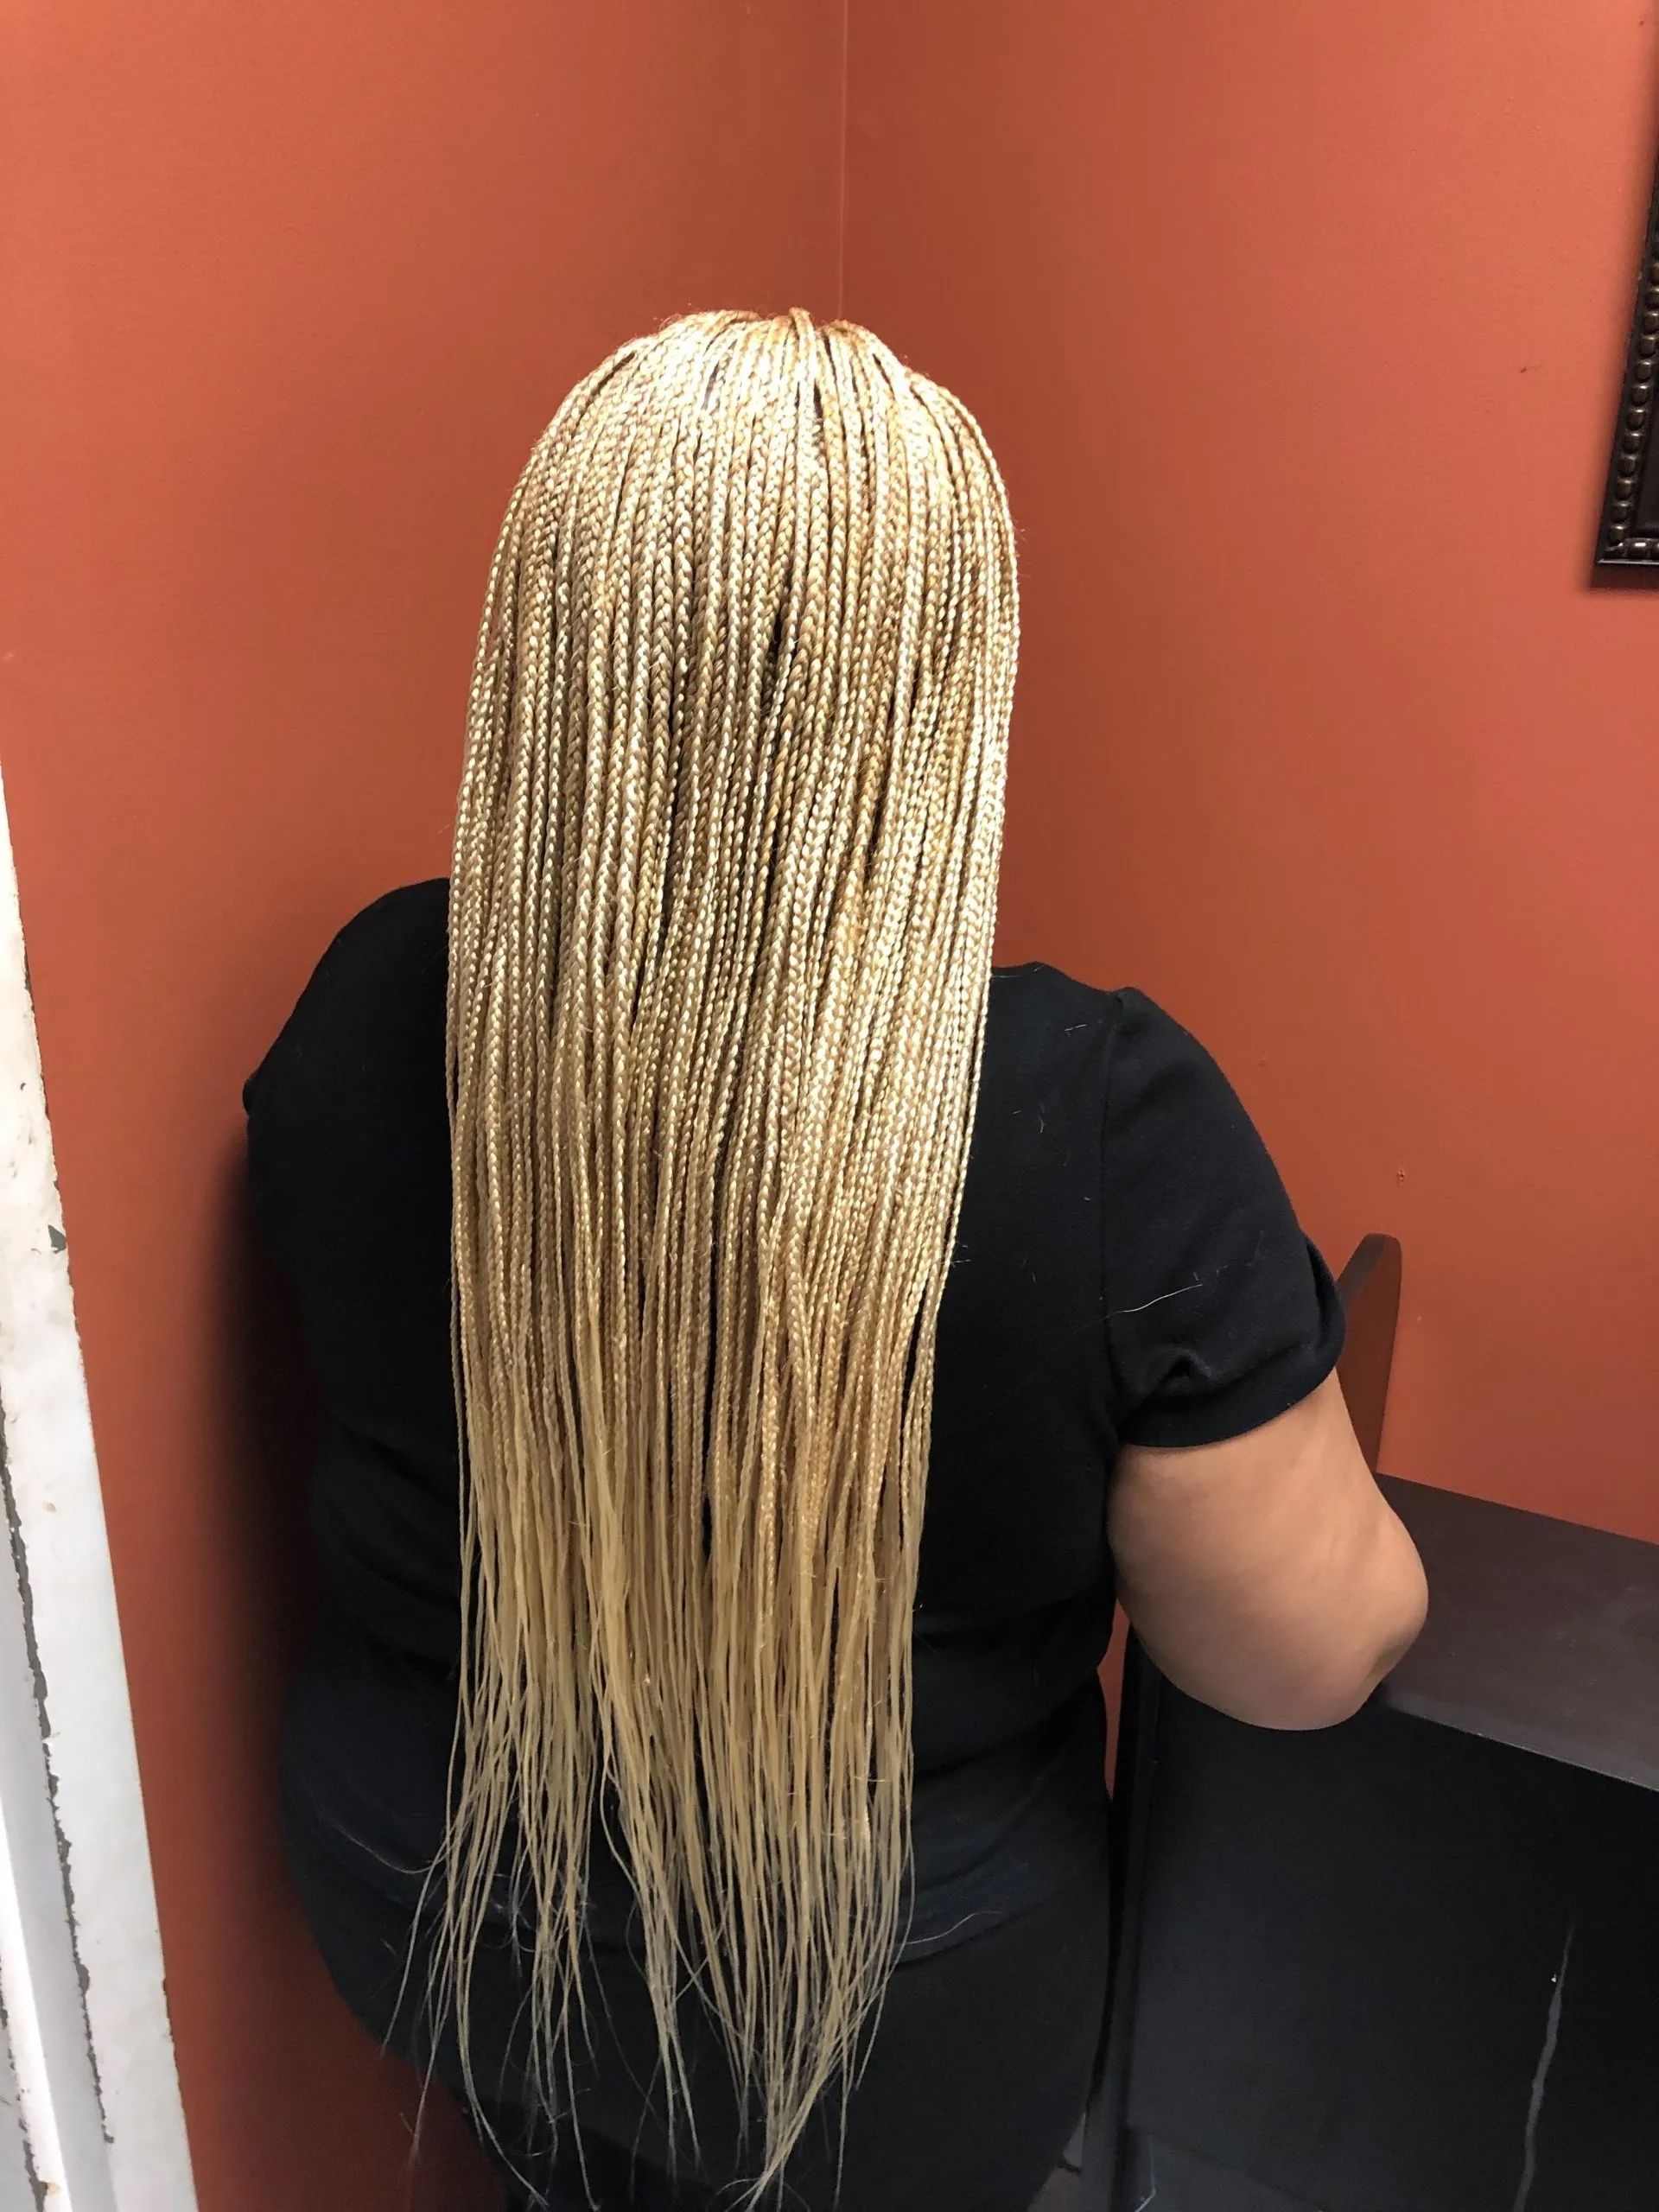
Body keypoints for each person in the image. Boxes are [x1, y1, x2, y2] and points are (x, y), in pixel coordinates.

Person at [245, 310, 1427, 2212]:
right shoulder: (1099, 1118)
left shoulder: (379, 993)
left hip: (429, 1903)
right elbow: (1308, 1653)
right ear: (942, 676)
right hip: (874, 2022)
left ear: (548, 634)